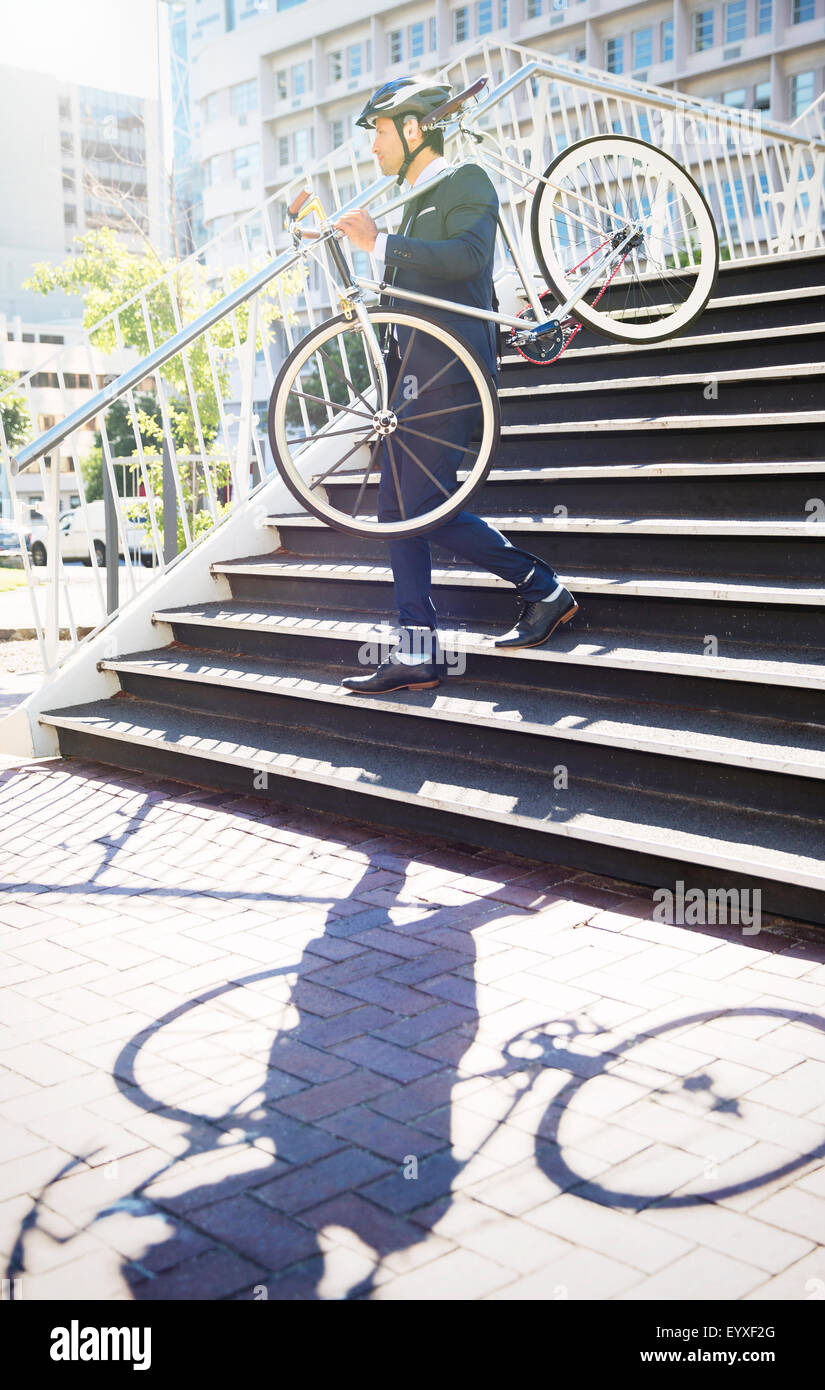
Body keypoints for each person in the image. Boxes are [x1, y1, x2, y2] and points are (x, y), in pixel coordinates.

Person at [334, 77, 578, 694]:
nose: (374, 148)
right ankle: (418, 648)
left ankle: (542, 587)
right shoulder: (413, 202)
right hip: (413, 383)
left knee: (421, 509)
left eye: (381, 133)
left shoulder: (466, 181)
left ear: (415, 130)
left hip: (454, 374)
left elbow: (470, 258)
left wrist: (381, 243)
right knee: (397, 512)